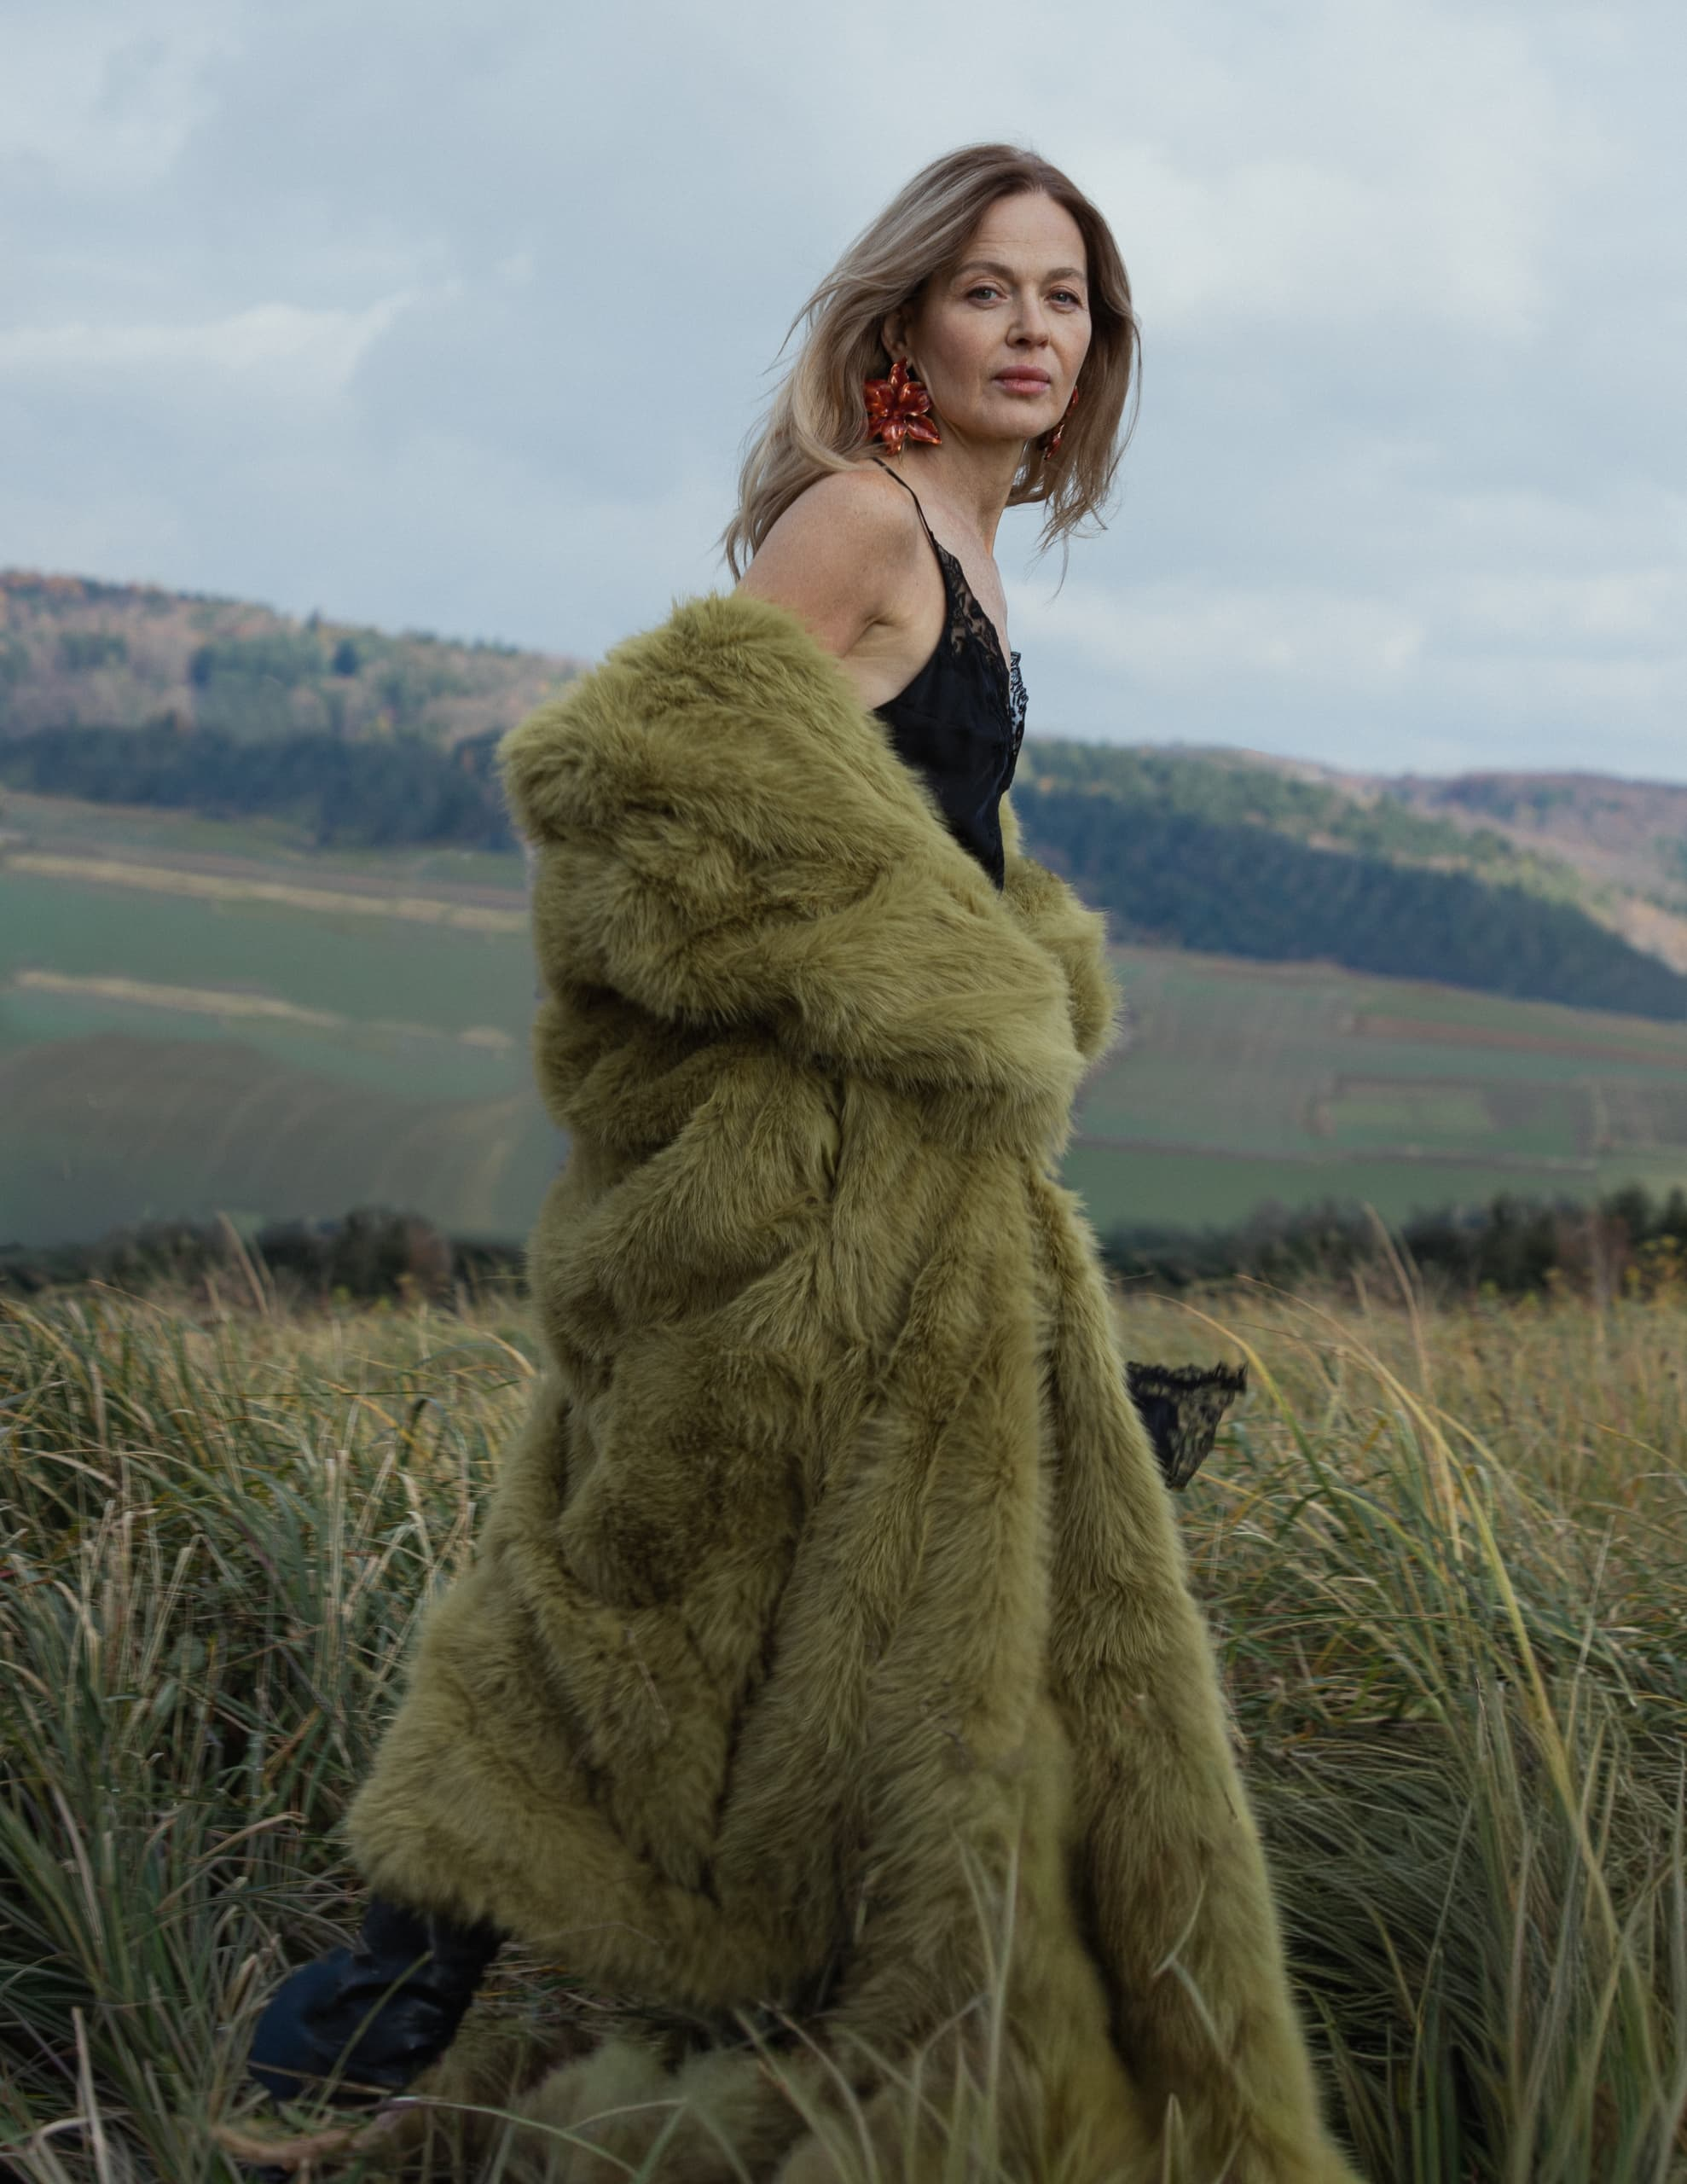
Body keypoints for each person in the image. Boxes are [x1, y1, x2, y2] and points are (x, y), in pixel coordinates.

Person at [246, 144, 1361, 2184]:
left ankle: (891, 2014)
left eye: (1071, 301)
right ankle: (327, 2058)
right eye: (992, 292)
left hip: (932, 1173)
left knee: (876, 1614)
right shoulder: (859, 520)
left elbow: (921, 838)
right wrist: (931, 978)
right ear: (901, 324)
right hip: (799, 1184)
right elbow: (638, 786)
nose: (1037, 331)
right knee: (653, 1596)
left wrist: (1004, 969)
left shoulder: (969, 536)